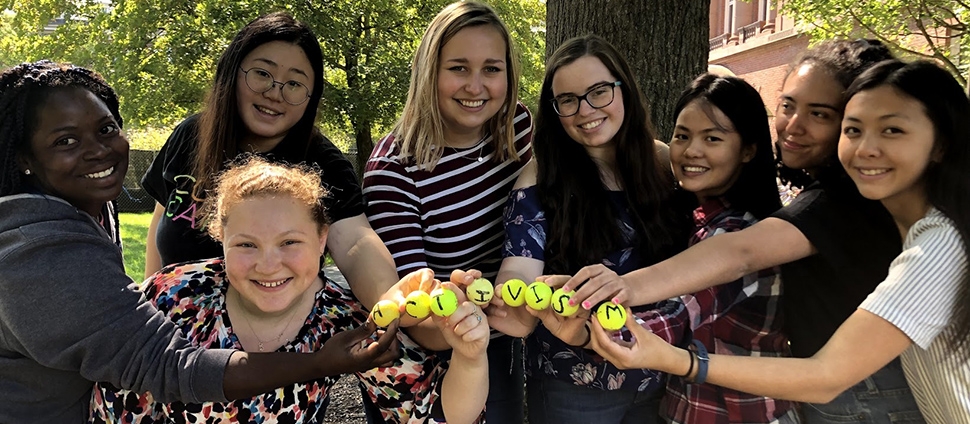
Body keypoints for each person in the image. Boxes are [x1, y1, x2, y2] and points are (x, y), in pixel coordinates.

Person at [0, 60, 398, 423]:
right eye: (65, 141)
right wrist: (318, 364)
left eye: (106, 129)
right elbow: (170, 366)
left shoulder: (70, 209)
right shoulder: (40, 254)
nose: (97, 150)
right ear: (23, 157)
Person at [556, 39, 925, 423]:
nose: (793, 126)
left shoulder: (837, 201)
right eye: (787, 106)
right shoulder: (713, 212)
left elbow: (735, 257)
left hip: (858, 396)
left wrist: (617, 294)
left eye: (820, 113)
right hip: (815, 389)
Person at [91, 157, 490, 424]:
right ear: (220, 238)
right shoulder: (172, 294)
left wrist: (470, 356)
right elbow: (114, 404)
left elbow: (434, 413)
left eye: (290, 243)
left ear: (322, 240)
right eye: (246, 245)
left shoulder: (345, 322)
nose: (268, 265)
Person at [138, 12, 421, 344]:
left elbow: (357, 242)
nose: (275, 93)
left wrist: (389, 300)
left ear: (310, 97)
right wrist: (147, 320)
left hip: (279, 363)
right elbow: (161, 227)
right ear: (232, 73)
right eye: (262, 73)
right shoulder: (191, 136)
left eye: (295, 83)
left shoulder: (323, 163)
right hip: (179, 349)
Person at [487, 34, 689, 424]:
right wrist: (508, 297)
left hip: (663, 373)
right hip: (575, 385)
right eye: (568, 100)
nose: (585, 110)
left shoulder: (666, 164)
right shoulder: (541, 175)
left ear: (623, 89)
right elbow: (519, 268)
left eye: (598, 91)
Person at [362, 2, 533, 422]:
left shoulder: (518, 127)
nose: (476, 86)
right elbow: (415, 318)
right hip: (422, 360)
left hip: (501, 339)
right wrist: (455, 307)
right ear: (428, 72)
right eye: (458, 68)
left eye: (492, 69)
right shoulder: (393, 170)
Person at [664, 73, 796, 423]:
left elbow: (677, 313)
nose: (692, 150)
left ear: (749, 150)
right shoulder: (693, 218)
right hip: (688, 410)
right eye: (682, 136)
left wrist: (589, 322)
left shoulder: (743, 233)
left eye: (712, 138)